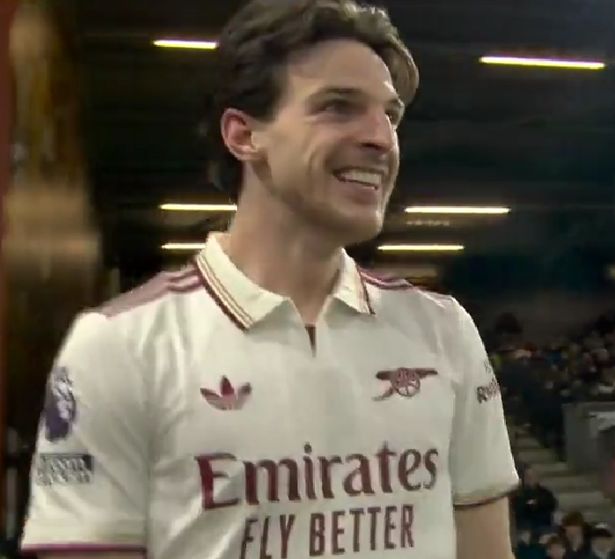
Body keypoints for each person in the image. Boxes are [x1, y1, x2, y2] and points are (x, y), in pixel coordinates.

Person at [20, 1, 519, 558]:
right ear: (243, 135)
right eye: (338, 106)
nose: (382, 138)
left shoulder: (445, 332)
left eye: (391, 116)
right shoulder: (119, 345)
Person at [512, 465, 558, 535]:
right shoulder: (518, 494)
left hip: (543, 524)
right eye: (527, 476)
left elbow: (552, 504)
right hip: (525, 527)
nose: (530, 478)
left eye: (532, 476)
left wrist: (538, 503)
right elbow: (518, 509)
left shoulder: (545, 492)